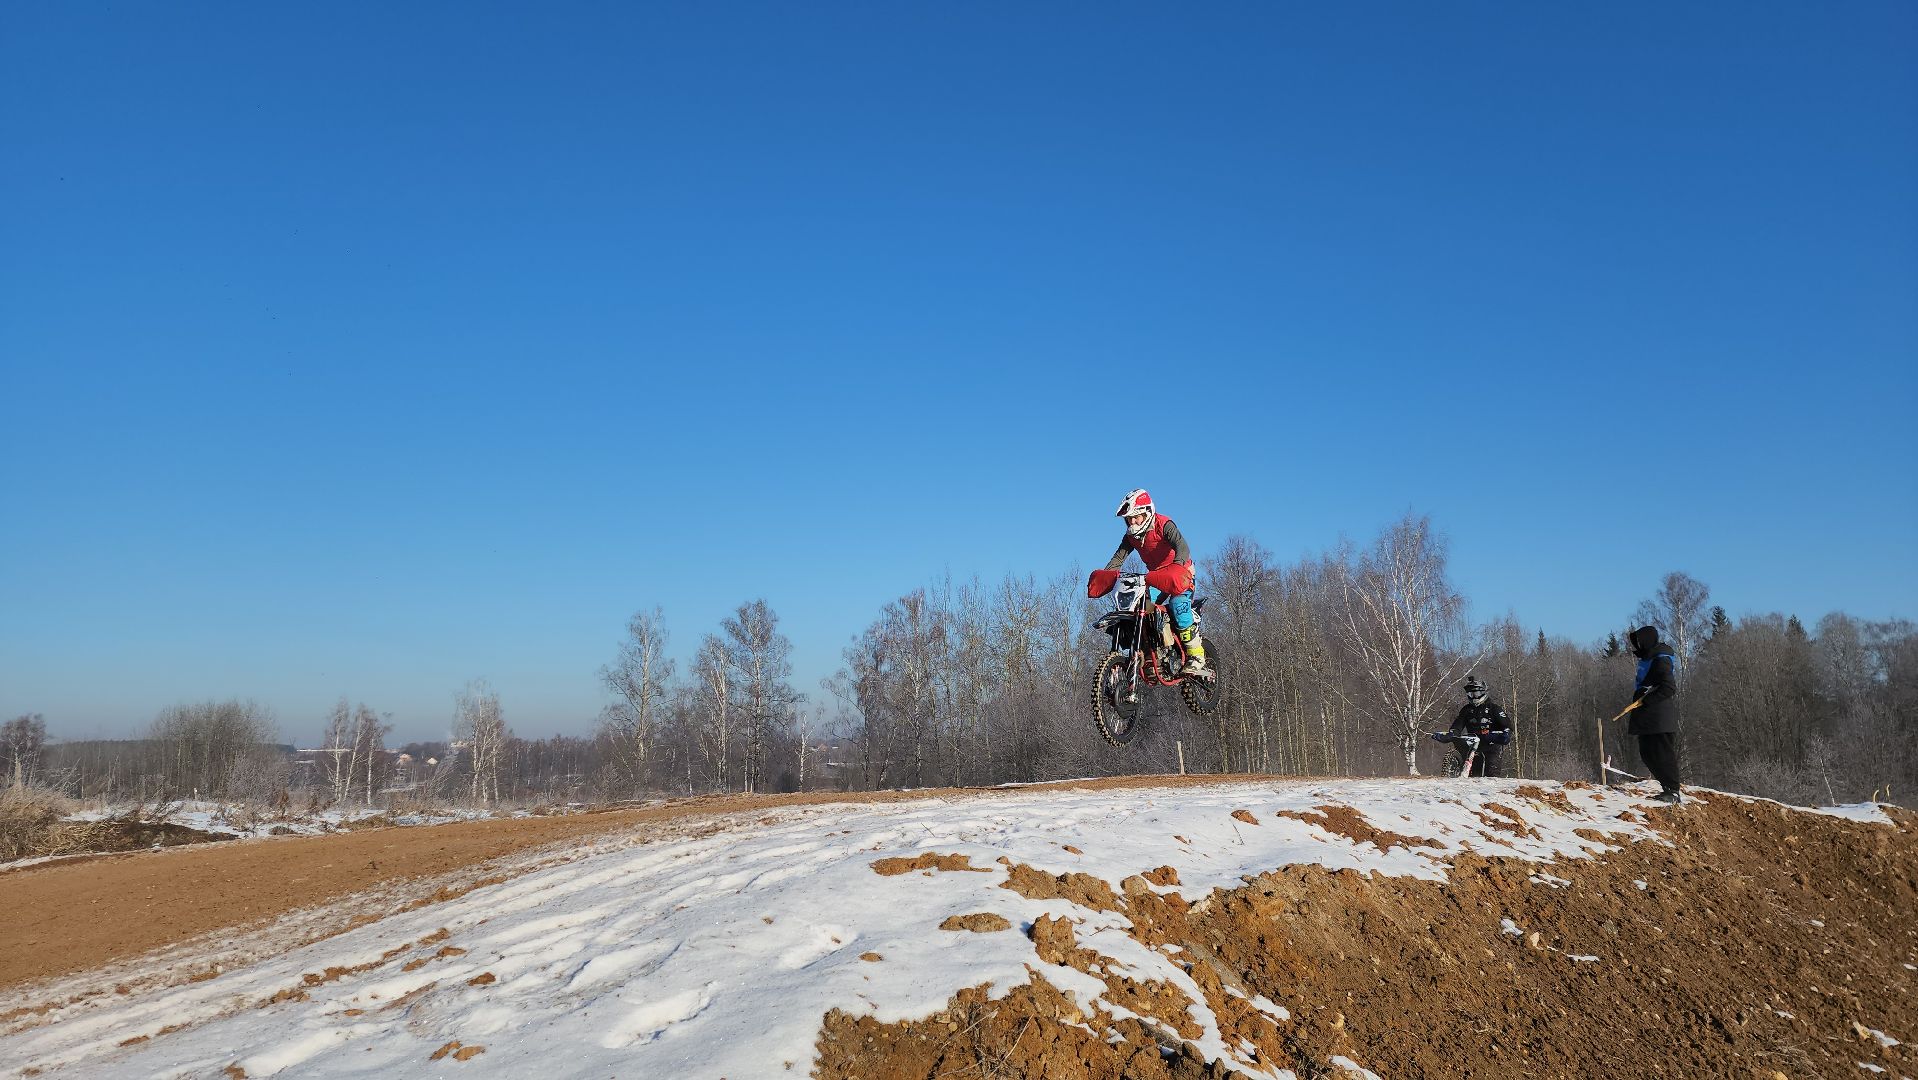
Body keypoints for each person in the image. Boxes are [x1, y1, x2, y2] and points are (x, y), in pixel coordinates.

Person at [1086, 489, 1207, 677]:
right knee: (1138, 605)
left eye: (1136, 517)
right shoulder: (1131, 537)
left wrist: (1177, 566)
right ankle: (1149, 650)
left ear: (1147, 512)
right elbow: (1118, 558)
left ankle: (1196, 655)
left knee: (1178, 605)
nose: (1132, 522)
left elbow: (1182, 547)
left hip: (1181, 574)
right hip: (1156, 577)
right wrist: (1106, 576)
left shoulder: (1163, 524)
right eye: (1129, 519)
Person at [1626, 624, 1683, 804]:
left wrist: (1646, 700)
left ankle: (1673, 791)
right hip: (1648, 718)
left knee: (1662, 754)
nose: (1637, 645)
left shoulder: (1661, 659)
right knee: (1647, 753)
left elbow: (1669, 687)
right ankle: (1667, 788)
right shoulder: (1649, 658)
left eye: (1639, 641)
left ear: (1647, 641)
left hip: (1659, 718)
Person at [1434, 676, 1512, 777]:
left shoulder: (1494, 709)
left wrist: (1503, 735)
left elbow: (1507, 726)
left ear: (1483, 692)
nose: (1474, 697)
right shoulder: (1466, 710)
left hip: (1491, 745)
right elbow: (1458, 725)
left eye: (1476, 693)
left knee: (1491, 773)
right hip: (1472, 744)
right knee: (1473, 775)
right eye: (1470, 694)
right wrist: (1451, 734)